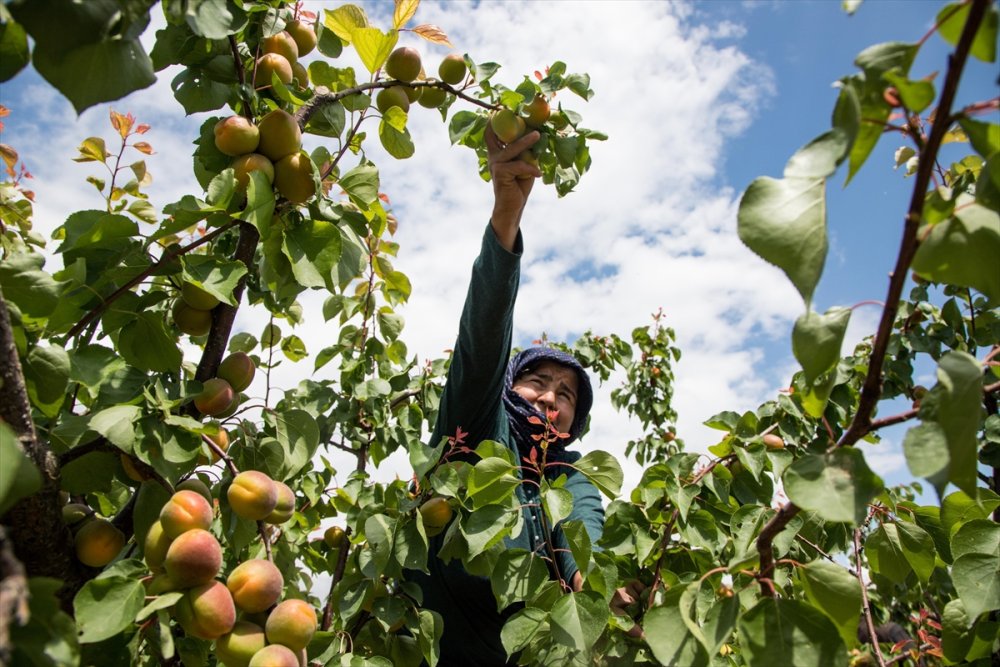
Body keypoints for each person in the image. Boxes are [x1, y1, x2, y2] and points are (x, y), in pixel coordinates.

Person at [407, 124, 643, 666]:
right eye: (537, 381)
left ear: (571, 423)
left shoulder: (570, 480)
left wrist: (606, 594)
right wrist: (506, 223)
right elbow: (482, 343)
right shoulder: (477, 436)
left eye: (566, 396)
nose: (549, 398)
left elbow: (587, 542)